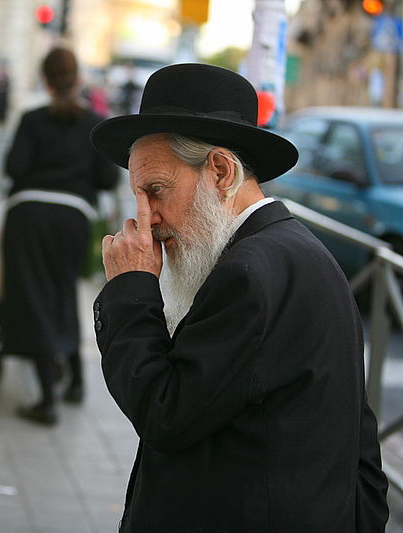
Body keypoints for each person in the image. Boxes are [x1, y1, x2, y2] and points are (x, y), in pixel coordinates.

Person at [89, 63, 389, 532]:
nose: (145, 219)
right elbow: (362, 447)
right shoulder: (295, 253)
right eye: (138, 197)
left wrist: (129, 291)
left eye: (156, 191)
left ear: (221, 171)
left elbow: (166, 414)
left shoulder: (249, 274)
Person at [1, 47, 119, 426]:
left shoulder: (32, 120)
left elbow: (14, 167)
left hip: (29, 216)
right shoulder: (94, 123)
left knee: (35, 298)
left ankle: (47, 400)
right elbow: (107, 179)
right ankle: (78, 382)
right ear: (77, 77)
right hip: (74, 219)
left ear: (46, 80)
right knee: (64, 292)